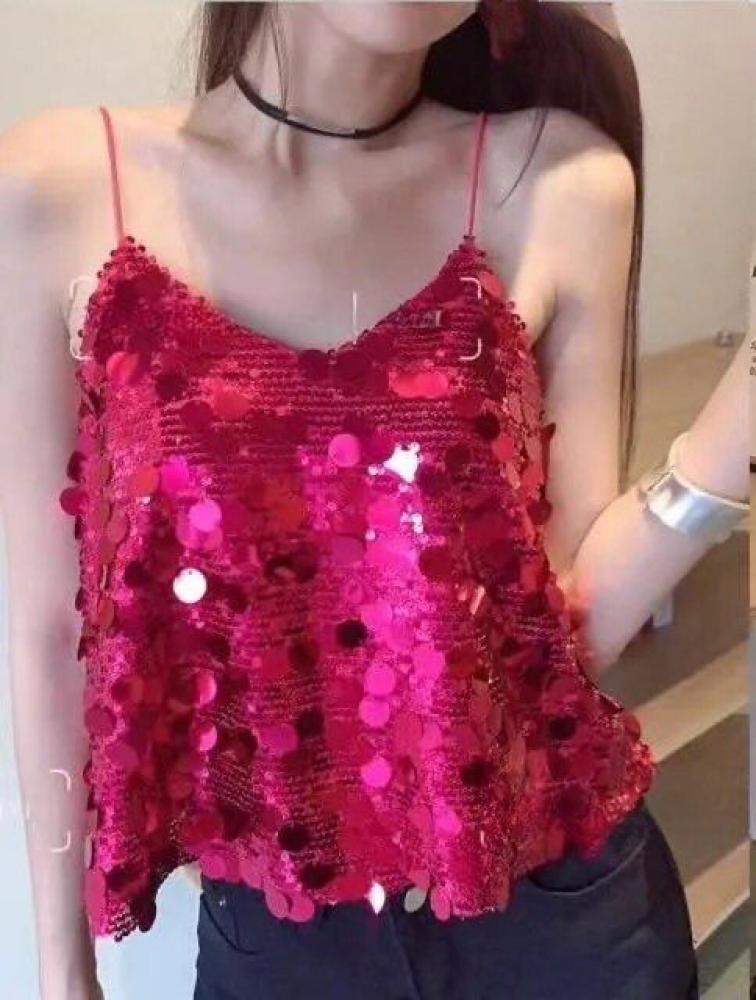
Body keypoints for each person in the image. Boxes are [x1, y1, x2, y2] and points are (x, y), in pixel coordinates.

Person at [0, 4, 748, 999]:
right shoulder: (61, 185)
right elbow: (51, 628)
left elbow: (561, 623)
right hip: (285, 946)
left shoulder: (556, 179)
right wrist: (63, 972)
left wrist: (733, 430)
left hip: (562, 925)